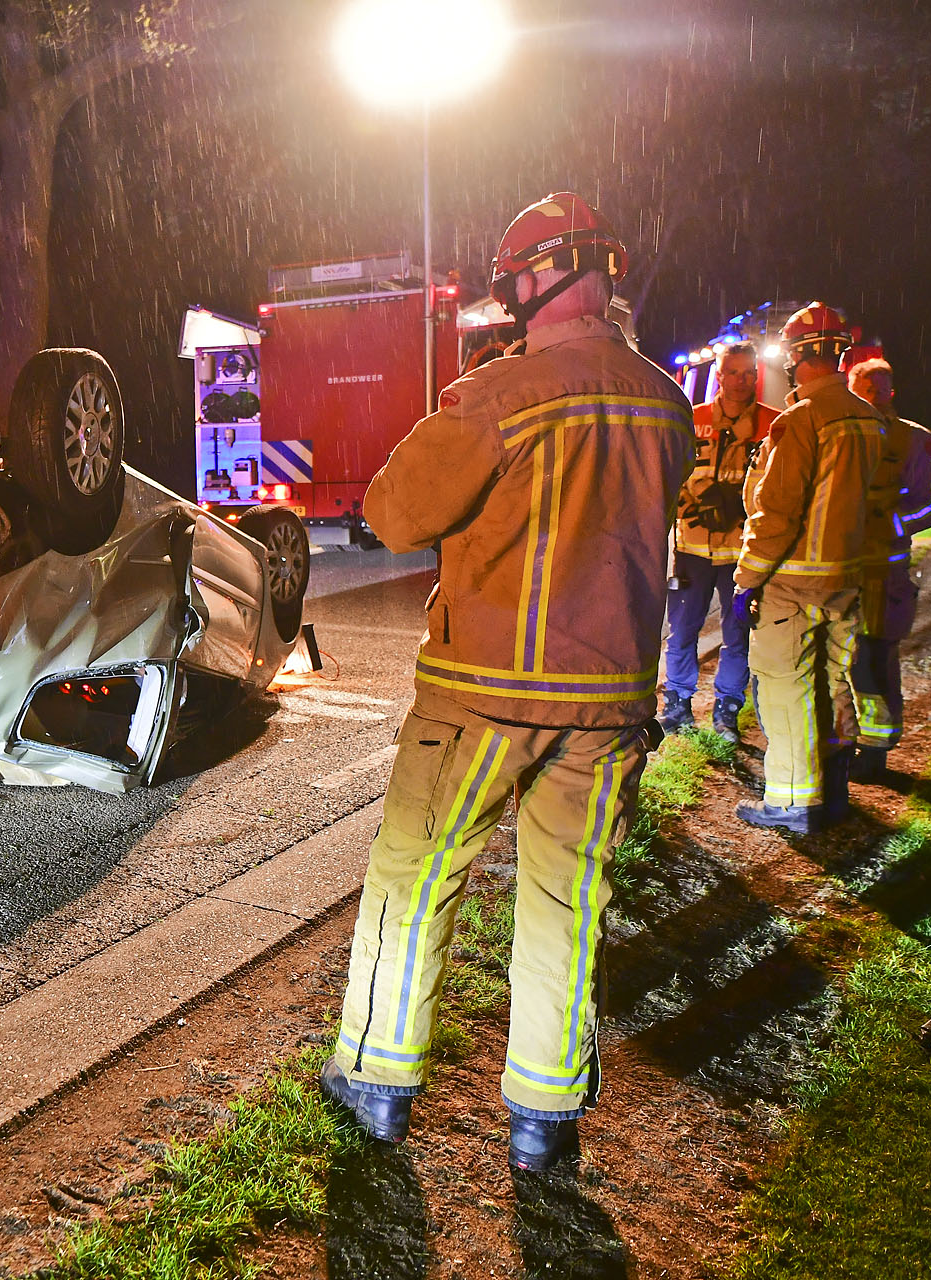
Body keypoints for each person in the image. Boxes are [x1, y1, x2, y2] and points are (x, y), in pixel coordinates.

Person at [317, 193, 692, 1172]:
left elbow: (396, 513)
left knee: (417, 874)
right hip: (608, 704)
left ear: (529, 282)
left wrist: (459, 411)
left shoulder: (501, 396)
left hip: (483, 693)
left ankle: (378, 1080)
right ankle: (543, 1114)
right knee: (568, 900)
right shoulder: (666, 403)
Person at [732, 303, 884, 833]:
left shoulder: (801, 420)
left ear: (795, 357)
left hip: (793, 582)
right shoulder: (869, 419)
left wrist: (746, 580)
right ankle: (834, 789)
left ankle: (794, 802)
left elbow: (777, 513)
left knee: (785, 689)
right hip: (846, 578)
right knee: (833, 682)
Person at [659, 342, 779, 741]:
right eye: (733, 372)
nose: (741, 381)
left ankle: (727, 710)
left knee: (738, 634)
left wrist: (738, 506)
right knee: (681, 630)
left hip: (744, 553)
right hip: (692, 549)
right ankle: (677, 705)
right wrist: (690, 504)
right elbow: (668, 473)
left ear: (756, 376)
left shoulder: (774, 424)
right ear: (720, 376)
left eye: (749, 373)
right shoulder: (692, 420)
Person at [845, 355, 931, 777]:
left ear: (893, 391)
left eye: (880, 388)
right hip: (832, 569)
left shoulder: (919, 441)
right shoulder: (838, 433)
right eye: (865, 389)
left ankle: (874, 752)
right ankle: (839, 745)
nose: (874, 397)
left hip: (881, 575)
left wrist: (890, 522)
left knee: (873, 660)